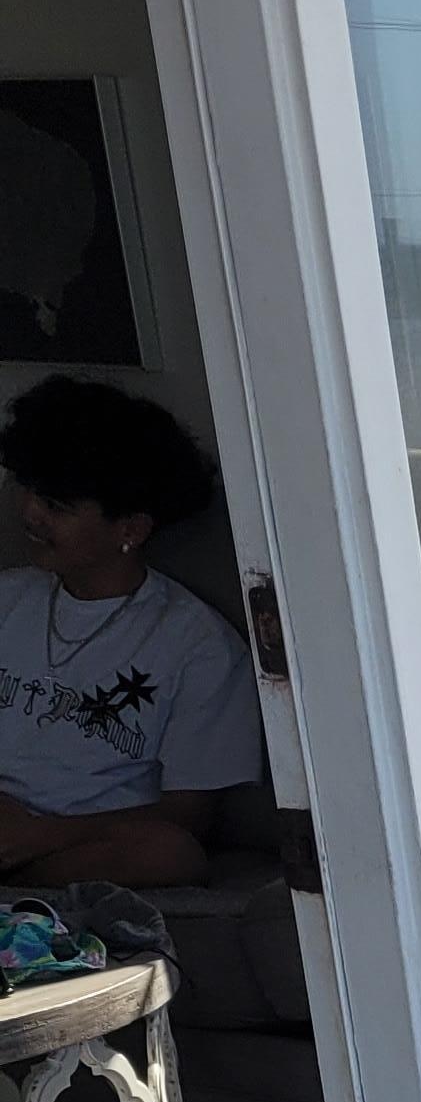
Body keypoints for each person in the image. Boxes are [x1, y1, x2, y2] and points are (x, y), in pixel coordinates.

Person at [0, 374, 260, 891]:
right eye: (29, 489)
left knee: (170, 854)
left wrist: (41, 835)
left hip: (86, 843)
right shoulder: (9, 597)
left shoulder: (198, 644)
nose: (30, 512)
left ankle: (27, 887)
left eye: (57, 506)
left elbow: (186, 820)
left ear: (131, 529)